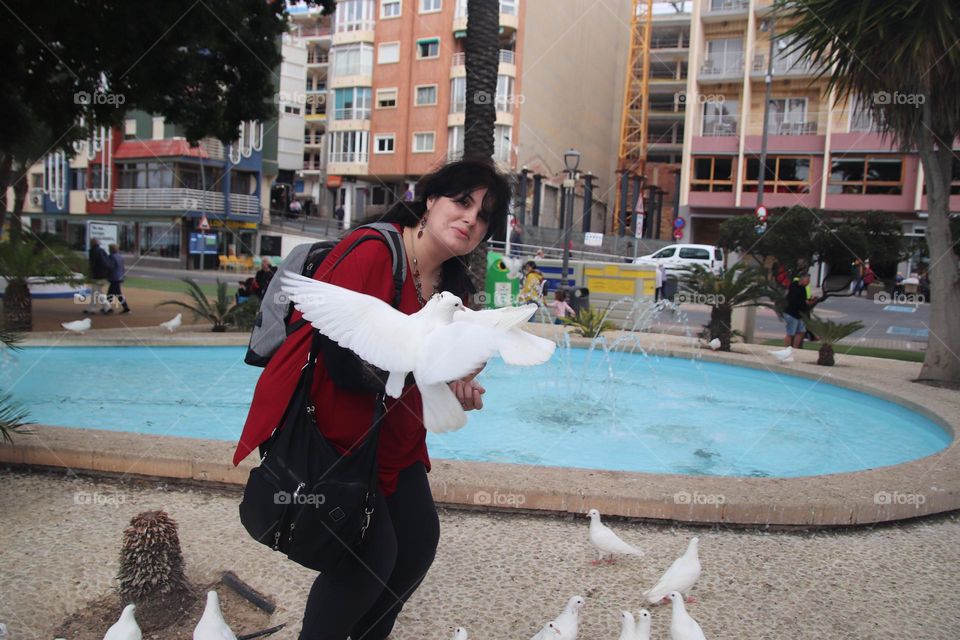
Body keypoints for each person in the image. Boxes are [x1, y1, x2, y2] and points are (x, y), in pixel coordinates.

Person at [233, 159, 510, 640]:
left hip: (395, 444)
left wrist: (453, 383)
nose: (471, 218)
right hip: (337, 442)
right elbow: (345, 364)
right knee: (367, 561)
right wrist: (431, 370)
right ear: (430, 200)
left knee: (416, 551)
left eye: (484, 214)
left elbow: (419, 371)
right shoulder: (372, 250)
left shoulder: (452, 291)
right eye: (462, 202)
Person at [783, 273, 812, 348]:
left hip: (800, 314)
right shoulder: (794, 287)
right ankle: (786, 349)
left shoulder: (803, 288)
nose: (809, 282)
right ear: (802, 279)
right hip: (792, 314)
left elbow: (804, 299)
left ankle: (795, 348)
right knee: (790, 333)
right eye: (808, 280)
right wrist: (804, 303)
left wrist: (807, 302)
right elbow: (792, 301)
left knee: (801, 332)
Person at [84, 238, 111, 314]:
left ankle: (100, 307)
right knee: (97, 291)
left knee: (96, 291)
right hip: (101, 275)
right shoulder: (101, 251)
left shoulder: (92, 251)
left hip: (97, 275)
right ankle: (104, 307)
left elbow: (93, 264)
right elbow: (106, 263)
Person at [106, 244, 130, 314]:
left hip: (114, 277)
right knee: (111, 293)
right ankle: (107, 307)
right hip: (119, 277)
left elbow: (111, 267)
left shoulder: (111, 257)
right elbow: (122, 267)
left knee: (117, 294)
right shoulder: (120, 257)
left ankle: (126, 308)